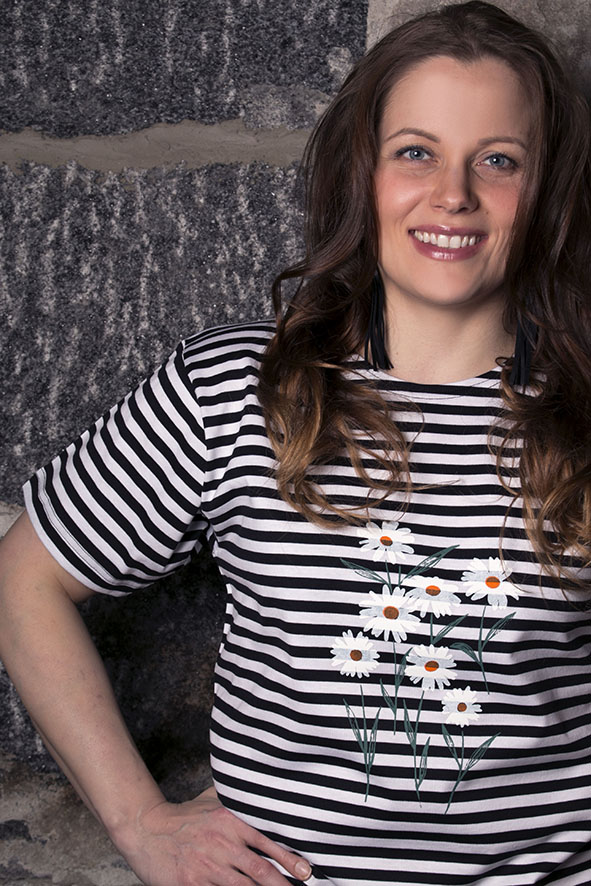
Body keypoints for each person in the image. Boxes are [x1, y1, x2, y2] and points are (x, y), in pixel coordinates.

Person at [1, 1, 591, 883]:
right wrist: (139, 822)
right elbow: (24, 581)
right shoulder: (235, 388)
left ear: (547, 191)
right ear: (362, 172)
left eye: (497, 160)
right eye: (415, 152)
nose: (453, 194)